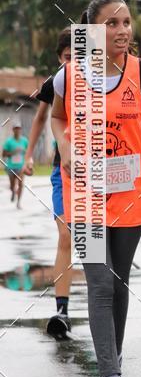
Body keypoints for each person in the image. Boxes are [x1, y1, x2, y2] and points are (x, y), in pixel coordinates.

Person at [52, 0, 141, 377]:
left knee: (119, 282)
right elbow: (57, 118)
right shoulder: (68, 76)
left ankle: (113, 361)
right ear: (92, 31)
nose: (123, 30)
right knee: (100, 283)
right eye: (112, 23)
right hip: (85, 194)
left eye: (126, 22)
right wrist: (64, 146)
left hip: (130, 192)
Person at [23, 28, 74, 338]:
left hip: (99, 171)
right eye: (67, 58)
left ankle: (104, 305)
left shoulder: (102, 82)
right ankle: (62, 310)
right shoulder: (56, 82)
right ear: (59, 58)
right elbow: (42, 118)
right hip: (63, 170)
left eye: (79, 57)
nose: (72, 64)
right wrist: (29, 156)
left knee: (96, 241)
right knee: (66, 235)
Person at [3, 122, 28, 208]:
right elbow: (4, 154)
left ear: (20, 130)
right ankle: (13, 191)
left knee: (21, 184)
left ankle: (18, 202)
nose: (17, 130)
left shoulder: (24, 141)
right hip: (11, 166)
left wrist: (28, 162)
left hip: (21, 166)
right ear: (13, 130)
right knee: (12, 185)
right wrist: (14, 152)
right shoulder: (9, 141)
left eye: (19, 128)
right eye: (16, 128)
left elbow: (28, 152)